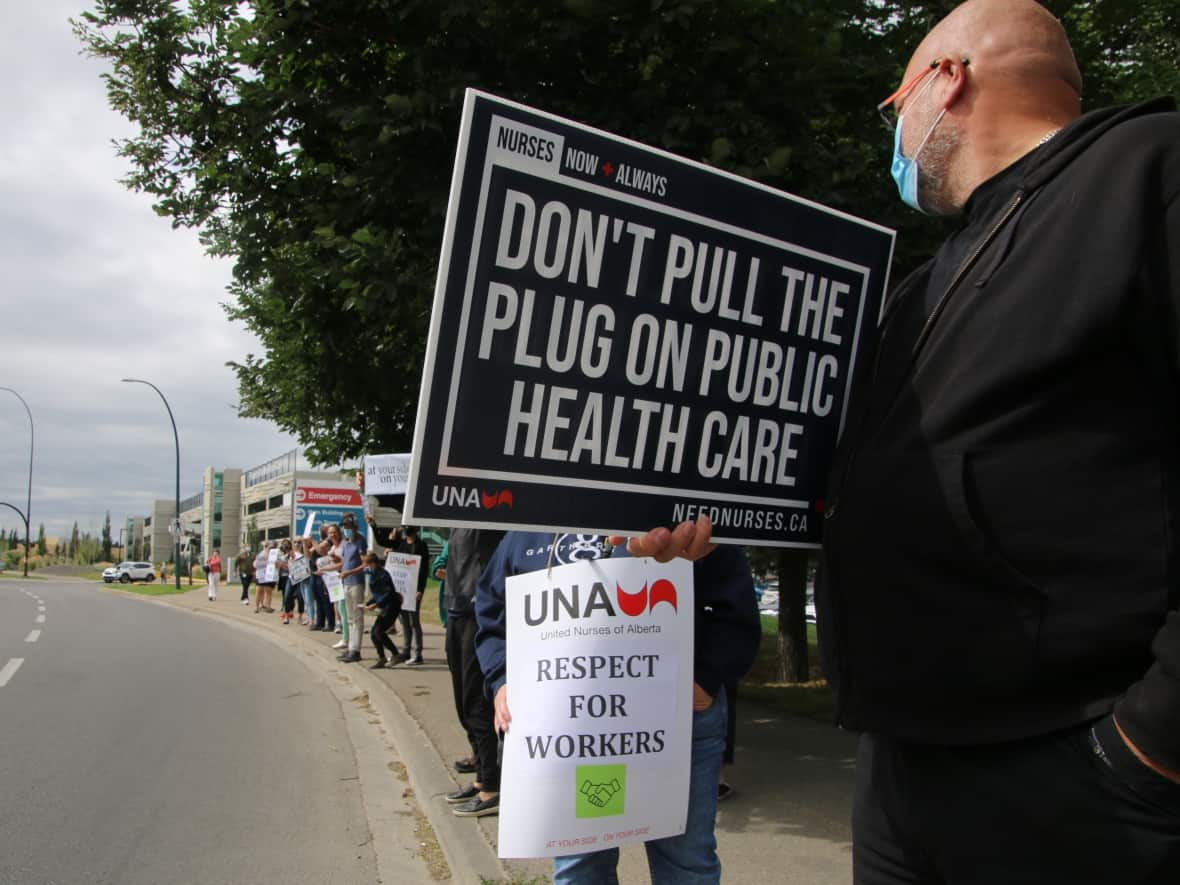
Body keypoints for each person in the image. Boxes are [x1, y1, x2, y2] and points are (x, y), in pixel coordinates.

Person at [625, 2, 1180, 881]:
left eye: (896, 104)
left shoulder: (1149, 171)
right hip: (904, 762)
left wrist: (1151, 747)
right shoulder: (928, 281)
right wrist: (698, 521)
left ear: (946, 79)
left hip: (1075, 768)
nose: (895, 131)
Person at [474, 533, 760, 879]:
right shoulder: (527, 531)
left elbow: (735, 606)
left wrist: (706, 678)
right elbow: (491, 607)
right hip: (571, 738)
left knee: (686, 861)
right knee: (580, 866)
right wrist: (503, 678)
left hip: (677, 725)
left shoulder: (678, 507)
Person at [437, 528, 504, 816]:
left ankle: (492, 786)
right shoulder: (453, 518)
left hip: (477, 610)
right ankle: (480, 777)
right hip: (455, 606)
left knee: (477, 703)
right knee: (463, 702)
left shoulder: (487, 515)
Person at [392, 525, 429, 664]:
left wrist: (421, 589)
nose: (407, 530)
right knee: (405, 621)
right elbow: (383, 542)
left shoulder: (421, 546)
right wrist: (373, 525)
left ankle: (418, 653)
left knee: (414, 621)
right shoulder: (401, 544)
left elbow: (424, 569)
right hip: (402, 588)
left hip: (414, 588)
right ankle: (406, 651)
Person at [336, 513, 368, 663]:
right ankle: (350, 647)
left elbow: (364, 563)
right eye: (344, 527)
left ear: (354, 527)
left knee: (357, 617)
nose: (346, 529)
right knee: (349, 618)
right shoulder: (346, 542)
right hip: (346, 582)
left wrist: (349, 571)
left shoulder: (360, 541)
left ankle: (356, 650)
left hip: (356, 582)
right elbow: (344, 561)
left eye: (348, 527)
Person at [362, 551, 403, 669]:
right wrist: (368, 603)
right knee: (374, 634)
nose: (366, 567)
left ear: (373, 563)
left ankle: (396, 654)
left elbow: (388, 593)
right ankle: (382, 658)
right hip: (384, 606)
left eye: (367, 564)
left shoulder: (383, 574)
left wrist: (376, 604)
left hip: (391, 606)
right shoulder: (374, 574)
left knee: (378, 632)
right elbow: (377, 593)